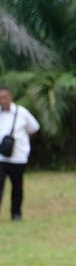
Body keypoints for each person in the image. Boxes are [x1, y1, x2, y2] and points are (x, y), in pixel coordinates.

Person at [0, 87, 40, 221]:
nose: (2, 100)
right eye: (0, 98)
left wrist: (23, 142)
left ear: (11, 97)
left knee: (17, 186)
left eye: (5, 97)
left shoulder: (22, 113)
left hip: (18, 157)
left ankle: (16, 213)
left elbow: (34, 128)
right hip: (1, 157)